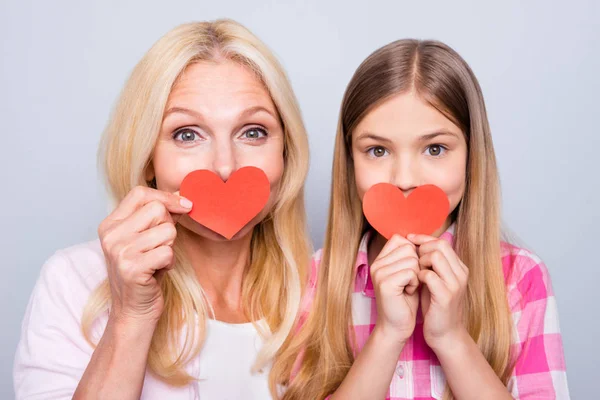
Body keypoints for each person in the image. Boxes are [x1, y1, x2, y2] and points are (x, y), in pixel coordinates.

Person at [14, 19, 311, 400]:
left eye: (253, 132)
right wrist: (130, 317)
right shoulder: (73, 282)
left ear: (286, 151)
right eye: (187, 134)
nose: (224, 166)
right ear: (148, 158)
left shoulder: (326, 290)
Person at [280, 39, 570, 399]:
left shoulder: (520, 279)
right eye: (378, 150)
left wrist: (452, 339)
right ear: (351, 161)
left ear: (471, 155)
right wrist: (387, 335)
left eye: (435, 149)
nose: (405, 178)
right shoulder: (311, 281)